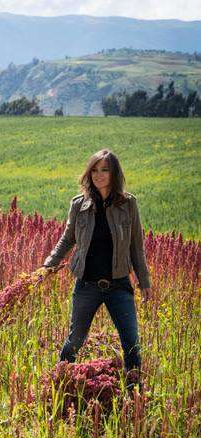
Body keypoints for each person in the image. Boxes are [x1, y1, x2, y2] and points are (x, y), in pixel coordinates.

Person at [40, 149, 151, 389]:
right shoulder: (79, 205)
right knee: (74, 341)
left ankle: (135, 395)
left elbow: (137, 247)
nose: (99, 175)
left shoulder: (128, 204)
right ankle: (59, 386)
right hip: (87, 285)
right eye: (94, 169)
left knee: (131, 342)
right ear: (89, 173)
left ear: (114, 173)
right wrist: (49, 264)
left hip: (119, 285)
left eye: (105, 170)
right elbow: (67, 239)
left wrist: (144, 282)